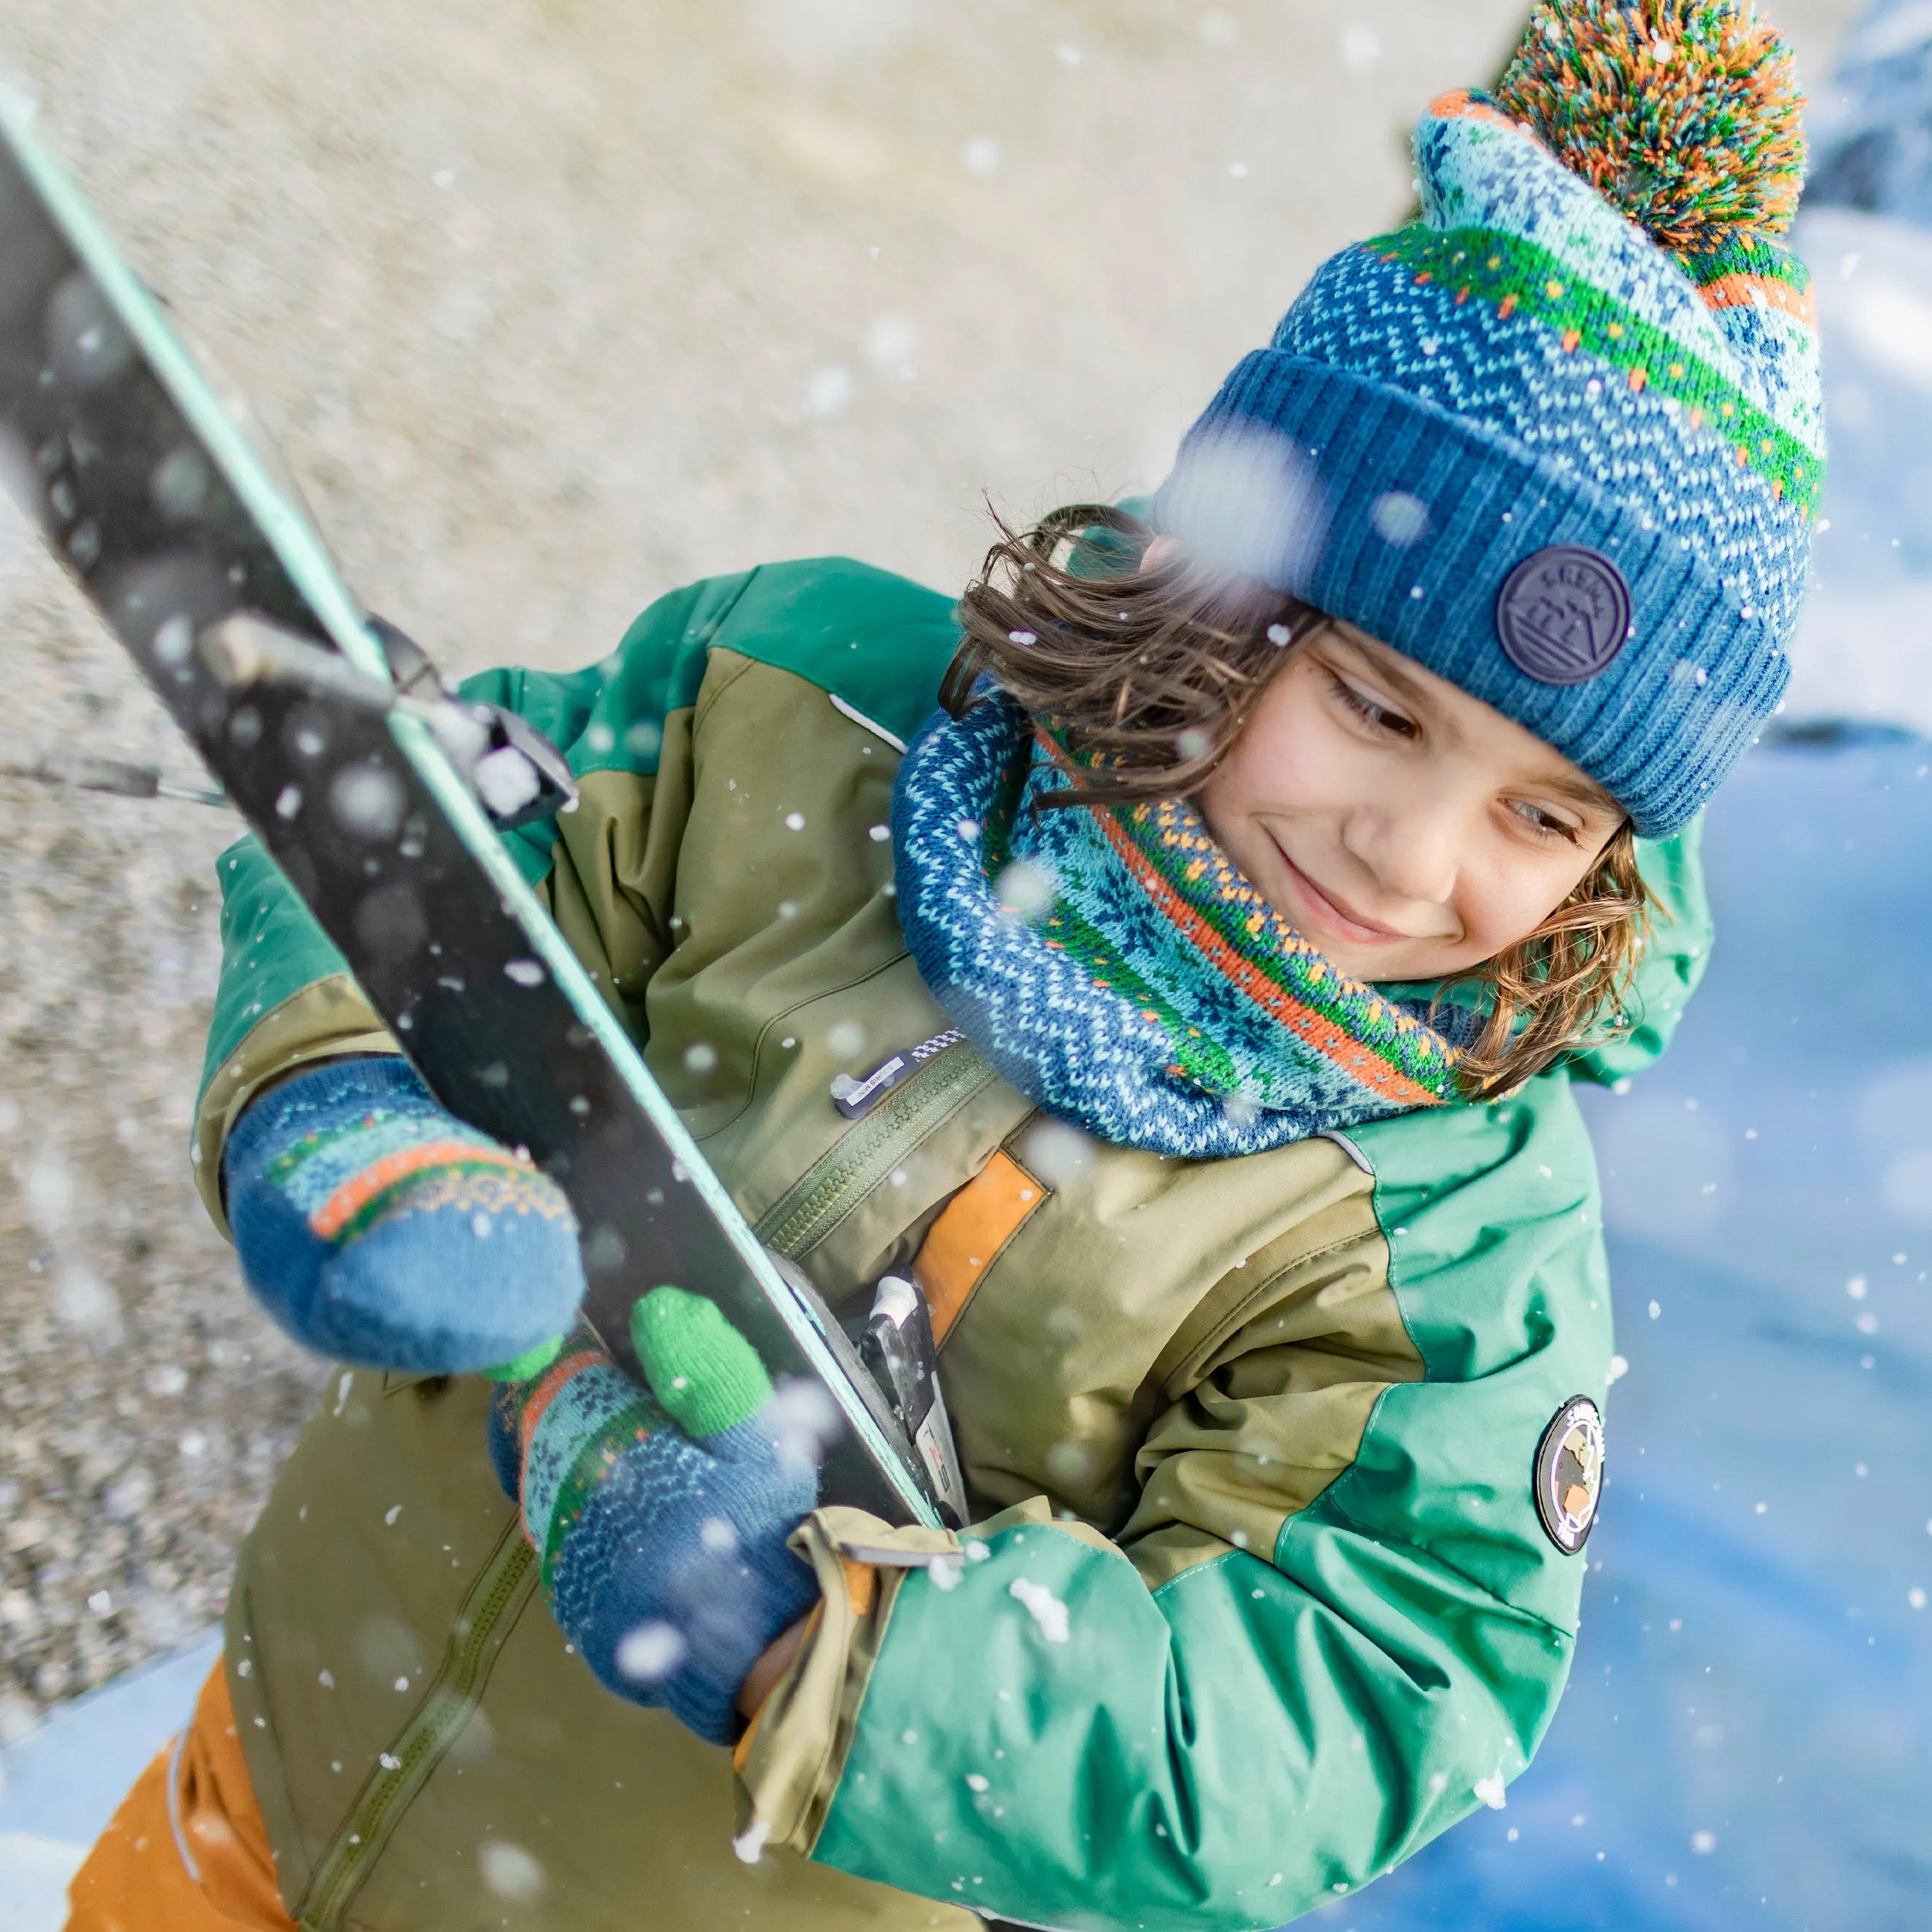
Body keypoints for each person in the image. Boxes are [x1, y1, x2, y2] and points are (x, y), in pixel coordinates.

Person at [67, 2, 1823, 1926]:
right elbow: (456, 849)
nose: (1412, 862)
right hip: (270, 1778)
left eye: (1544, 815)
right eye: (1377, 712)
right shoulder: (812, 699)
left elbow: (1341, 1697)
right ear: (1224, 598)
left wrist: (811, 1640)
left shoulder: (1445, 1233)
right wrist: (341, 1093)